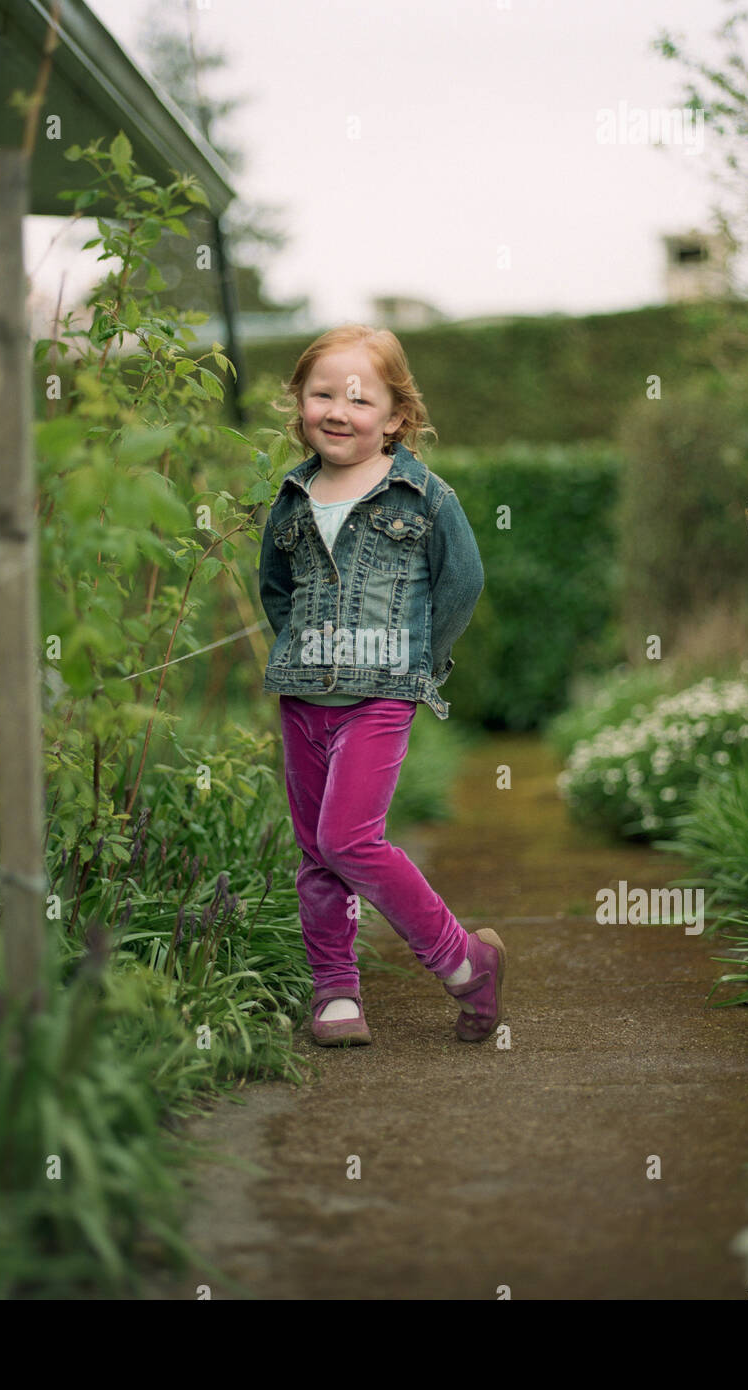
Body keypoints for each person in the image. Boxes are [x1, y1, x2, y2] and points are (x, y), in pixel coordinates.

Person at [257, 324, 503, 1047]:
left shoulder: (422, 496)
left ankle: (464, 961)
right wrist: (301, 651)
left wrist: (416, 665)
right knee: (316, 852)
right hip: (303, 693)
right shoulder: (294, 497)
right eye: (322, 394)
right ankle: (336, 991)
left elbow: (462, 584)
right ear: (300, 403)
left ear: (395, 416)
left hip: (382, 694)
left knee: (348, 839)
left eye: (360, 399)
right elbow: (275, 587)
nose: (339, 410)